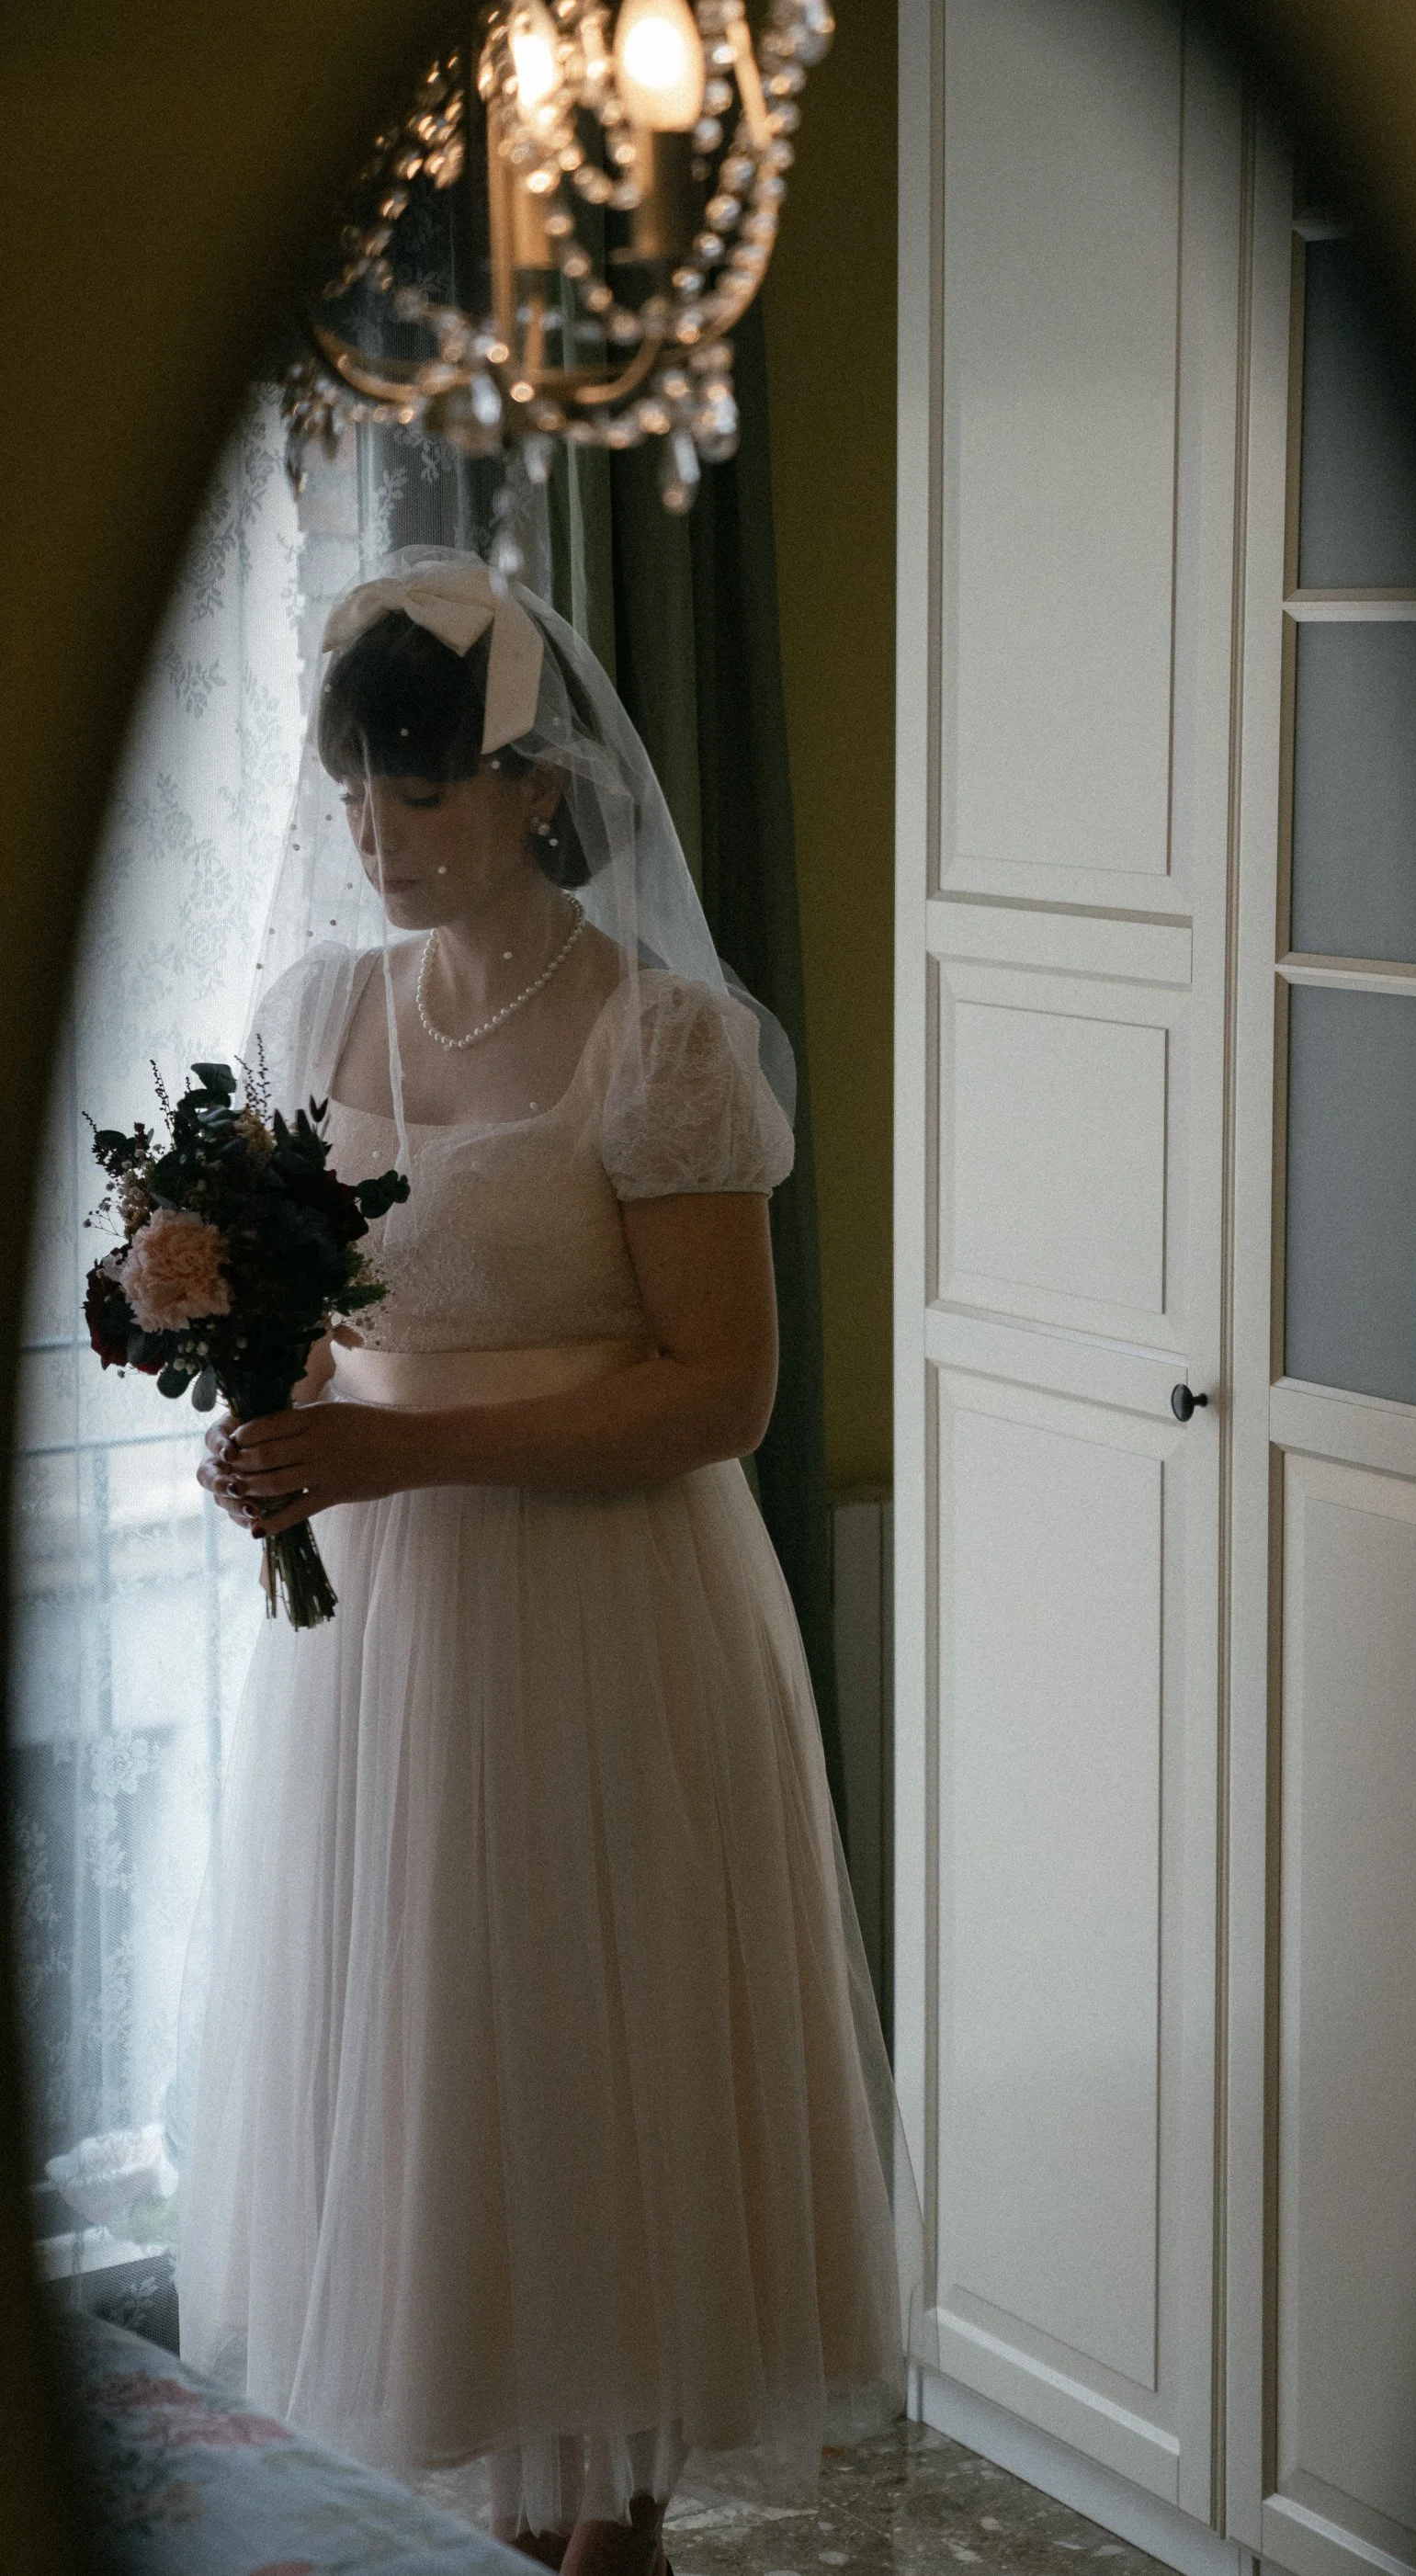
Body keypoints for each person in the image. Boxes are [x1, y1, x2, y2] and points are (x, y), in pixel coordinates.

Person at [176, 550, 918, 2576]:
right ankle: (522, 2519)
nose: (374, 831)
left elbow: (720, 1394)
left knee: (603, 2053)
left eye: (418, 789)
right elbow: (312, 1313)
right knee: (444, 2060)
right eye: (352, 788)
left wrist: (399, 1450)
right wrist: (266, 1407)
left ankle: (616, 2532)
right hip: (384, 1635)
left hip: (611, 1612)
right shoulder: (318, 1011)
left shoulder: (657, 1042)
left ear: (535, 787)